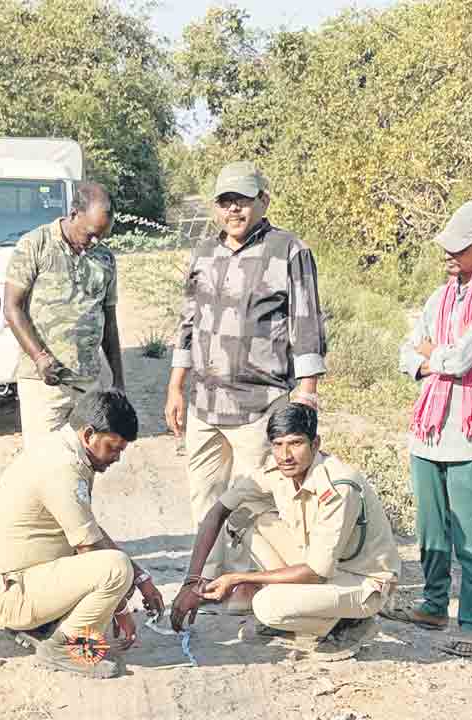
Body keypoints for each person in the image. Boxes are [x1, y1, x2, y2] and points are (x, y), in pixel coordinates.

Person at [164, 161, 328, 588]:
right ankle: (209, 580)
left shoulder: (289, 251)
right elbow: (187, 323)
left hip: (259, 405)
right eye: (225, 201)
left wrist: (306, 396)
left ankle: (255, 583)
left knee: (254, 501)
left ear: (263, 201)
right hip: (204, 403)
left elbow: (306, 326)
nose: (234, 209)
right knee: (205, 497)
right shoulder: (204, 252)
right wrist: (176, 386)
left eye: (242, 200)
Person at [381, 200, 472, 658]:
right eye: (448, 246)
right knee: (431, 528)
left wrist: (430, 354)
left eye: (461, 247)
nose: (450, 255)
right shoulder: (439, 297)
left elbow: (464, 357)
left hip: (469, 432)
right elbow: (406, 353)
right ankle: (434, 603)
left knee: (470, 534)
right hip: (429, 428)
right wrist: (431, 359)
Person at [169, 403, 400, 660]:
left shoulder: (338, 486)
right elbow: (218, 512)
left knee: (266, 605)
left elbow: (317, 571)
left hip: (363, 582)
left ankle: (349, 624)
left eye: (295, 443)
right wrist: (190, 582)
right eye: (277, 444)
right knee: (240, 515)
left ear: (315, 444)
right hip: (321, 566)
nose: (285, 455)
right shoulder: (276, 471)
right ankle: (309, 612)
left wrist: (237, 579)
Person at [0, 390, 165, 678]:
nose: (116, 459)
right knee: (115, 570)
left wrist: (142, 578)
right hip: (12, 595)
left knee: (116, 573)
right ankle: (62, 647)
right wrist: (122, 608)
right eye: (113, 448)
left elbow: (88, 528)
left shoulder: (57, 449)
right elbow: (90, 550)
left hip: (14, 583)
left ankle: (44, 625)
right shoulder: (64, 468)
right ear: (89, 434)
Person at [3, 182, 124, 447]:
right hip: (45, 383)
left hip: (88, 383)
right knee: (44, 462)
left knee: (85, 459)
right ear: (73, 214)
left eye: (102, 236)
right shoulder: (35, 245)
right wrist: (39, 357)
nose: (95, 242)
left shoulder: (105, 258)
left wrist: (118, 381)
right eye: (91, 233)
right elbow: (12, 308)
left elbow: (110, 323)